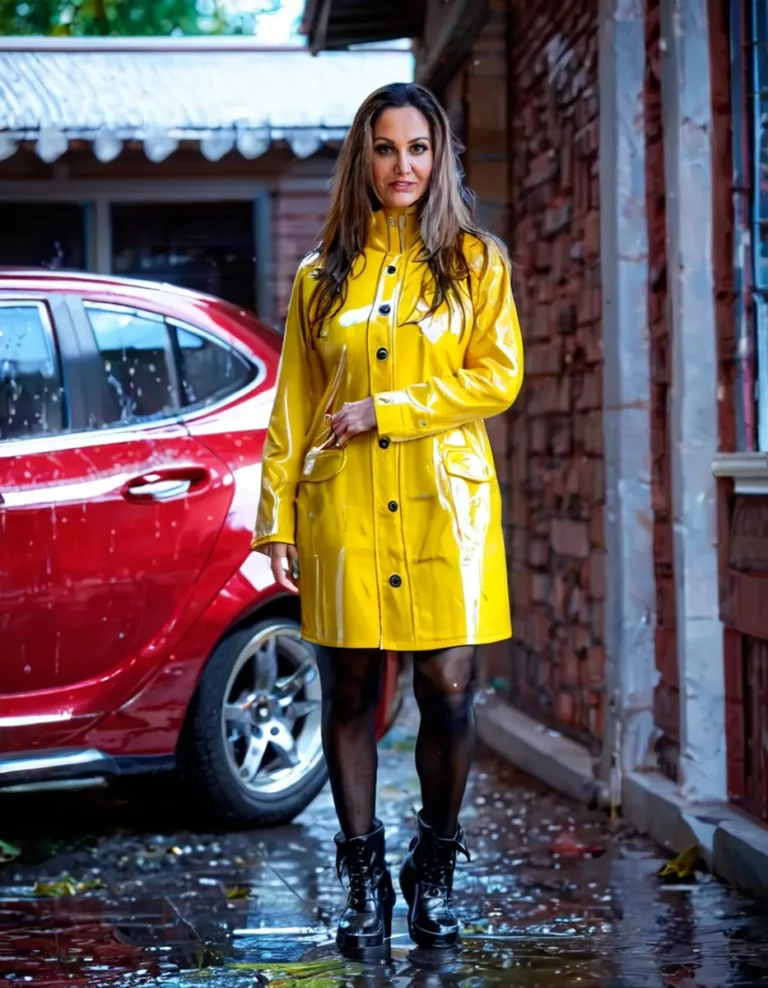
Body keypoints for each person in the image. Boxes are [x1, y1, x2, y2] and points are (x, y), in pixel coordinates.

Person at [251, 81, 524, 958]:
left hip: (449, 507)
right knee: (353, 697)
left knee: (448, 692)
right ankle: (364, 877)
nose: (402, 166)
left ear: (440, 155)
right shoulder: (319, 275)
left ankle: (432, 871)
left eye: (417, 148)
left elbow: (498, 377)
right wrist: (276, 521)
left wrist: (391, 407)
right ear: (361, 159)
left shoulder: (478, 262)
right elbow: (293, 404)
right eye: (384, 148)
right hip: (345, 510)